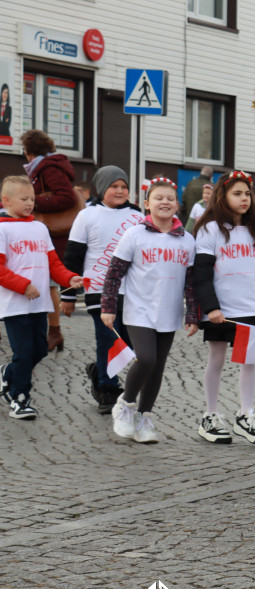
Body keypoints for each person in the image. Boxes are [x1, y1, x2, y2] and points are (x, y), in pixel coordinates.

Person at [106, 177, 198, 443]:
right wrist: (108, 307)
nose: (165, 202)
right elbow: (114, 274)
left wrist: (192, 315)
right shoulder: (134, 235)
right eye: (159, 198)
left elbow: (191, 284)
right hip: (139, 310)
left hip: (169, 312)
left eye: (170, 198)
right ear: (147, 204)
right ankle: (125, 404)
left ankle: (145, 418)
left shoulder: (187, 240)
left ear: (177, 205)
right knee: (146, 358)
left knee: (157, 367)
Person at [192, 171, 255, 445]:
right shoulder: (210, 229)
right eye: (237, 193)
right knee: (216, 359)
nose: (244, 199)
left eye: (247, 194)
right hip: (221, 310)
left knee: (248, 361)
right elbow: (201, 274)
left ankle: (246, 414)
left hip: (249, 307)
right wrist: (211, 307)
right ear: (222, 195)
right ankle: (211, 414)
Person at [60, 166, 146, 413]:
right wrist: (68, 294)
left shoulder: (137, 216)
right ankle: (107, 389)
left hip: (131, 289)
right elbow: (73, 256)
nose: (120, 191)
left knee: (128, 342)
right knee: (108, 338)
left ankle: (99, 369)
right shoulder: (87, 215)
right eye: (114, 186)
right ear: (101, 188)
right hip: (97, 287)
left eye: (124, 187)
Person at [0, 175, 83, 419]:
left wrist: (68, 279)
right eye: (24, 199)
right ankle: (19, 398)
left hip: (39, 303)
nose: (30, 203)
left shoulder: (39, 227)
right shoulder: (2, 229)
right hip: (14, 304)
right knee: (24, 352)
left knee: (39, 350)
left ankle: (7, 375)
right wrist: (23, 286)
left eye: (32, 199)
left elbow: (53, 263)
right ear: (6, 201)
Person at [21, 129, 78, 354]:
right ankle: (52, 331)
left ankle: (54, 332)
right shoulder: (42, 168)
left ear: (28, 151)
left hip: (53, 233)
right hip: (46, 231)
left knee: (49, 284)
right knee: (46, 283)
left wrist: (34, 203)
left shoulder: (49, 168)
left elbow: (65, 197)